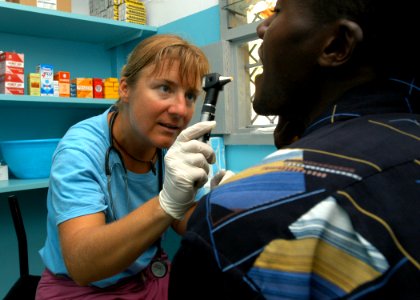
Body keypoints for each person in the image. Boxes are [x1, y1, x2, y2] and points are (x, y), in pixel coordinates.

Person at [169, 0, 420, 299]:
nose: (261, 27)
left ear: (336, 45)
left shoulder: (244, 217)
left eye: (277, 12)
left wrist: (226, 208)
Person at [35, 34, 217, 299]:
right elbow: (83, 265)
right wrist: (166, 203)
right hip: (81, 289)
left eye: (190, 95)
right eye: (165, 88)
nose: (180, 109)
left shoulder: (169, 144)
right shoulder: (80, 149)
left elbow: (184, 220)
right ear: (125, 89)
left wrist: (219, 204)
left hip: (149, 278)